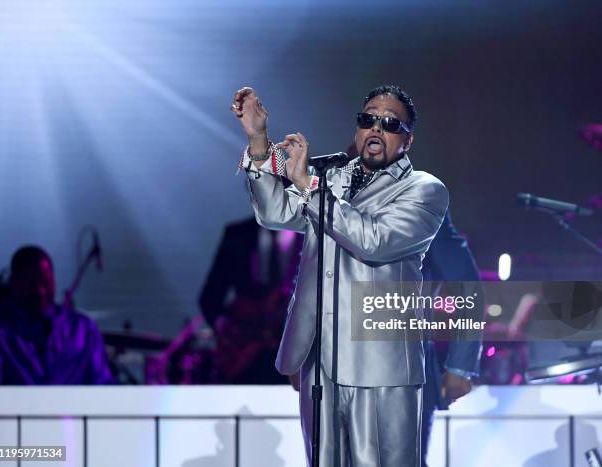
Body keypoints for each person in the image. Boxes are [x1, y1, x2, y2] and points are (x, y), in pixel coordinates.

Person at [231, 85, 449, 466]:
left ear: (407, 139)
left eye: (390, 123)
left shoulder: (424, 190)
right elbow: (275, 213)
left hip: (380, 363)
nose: (376, 129)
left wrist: (308, 186)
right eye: (368, 120)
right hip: (319, 356)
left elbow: (374, 240)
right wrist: (258, 140)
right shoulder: (332, 178)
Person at [199, 216, 303, 383]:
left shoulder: (314, 235)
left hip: (294, 351)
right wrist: (229, 331)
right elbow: (210, 297)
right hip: (246, 354)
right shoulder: (238, 235)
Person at [0, 246, 113, 384]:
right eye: (31, 284)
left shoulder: (82, 329)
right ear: (14, 283)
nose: (40, 291)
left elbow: (102, 383)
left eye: (46, 283)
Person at [420, 210, 483, 466]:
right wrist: (297, 347)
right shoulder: (327, 193)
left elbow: (467, 288)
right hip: (329, 365)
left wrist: (459, 366)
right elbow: (309, 277)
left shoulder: (422, 200)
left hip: (406, 368)